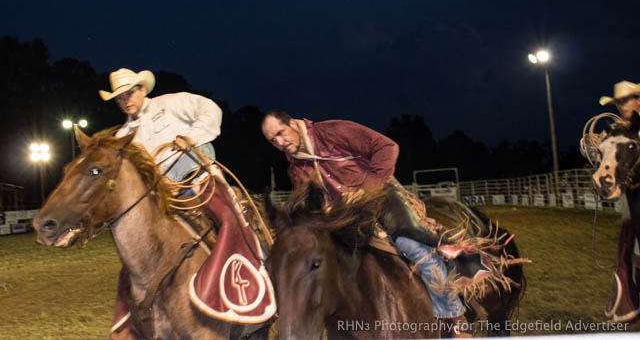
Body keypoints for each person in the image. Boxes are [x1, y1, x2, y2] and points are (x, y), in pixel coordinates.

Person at [261, 110, 474, 337]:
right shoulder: (296, 170)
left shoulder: (333, 131)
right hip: (345, 217)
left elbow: (387, 147)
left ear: (293, 124)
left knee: (416, 248)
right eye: (273, 140)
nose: (280, 142)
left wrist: (365, 190)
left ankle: (454, 319)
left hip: (380, 197)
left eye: (281, 133)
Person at [100, 69, 275, 338]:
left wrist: (192, 137)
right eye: (119, 97)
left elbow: (210, 110)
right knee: (135, 256)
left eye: (129, 92)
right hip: (161, 199)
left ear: (142, 90)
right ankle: (129, 322)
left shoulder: (170, 103)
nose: (126, 100)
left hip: (196, 181)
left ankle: (258, 277)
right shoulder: (124, 135)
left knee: (230, 220)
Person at [597, 80, 640, 323]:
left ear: (638, 100)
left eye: (625, 100)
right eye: (619, 102)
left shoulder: (632, 129)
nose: (622, 105)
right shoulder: (625, 129)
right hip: (634, 200)